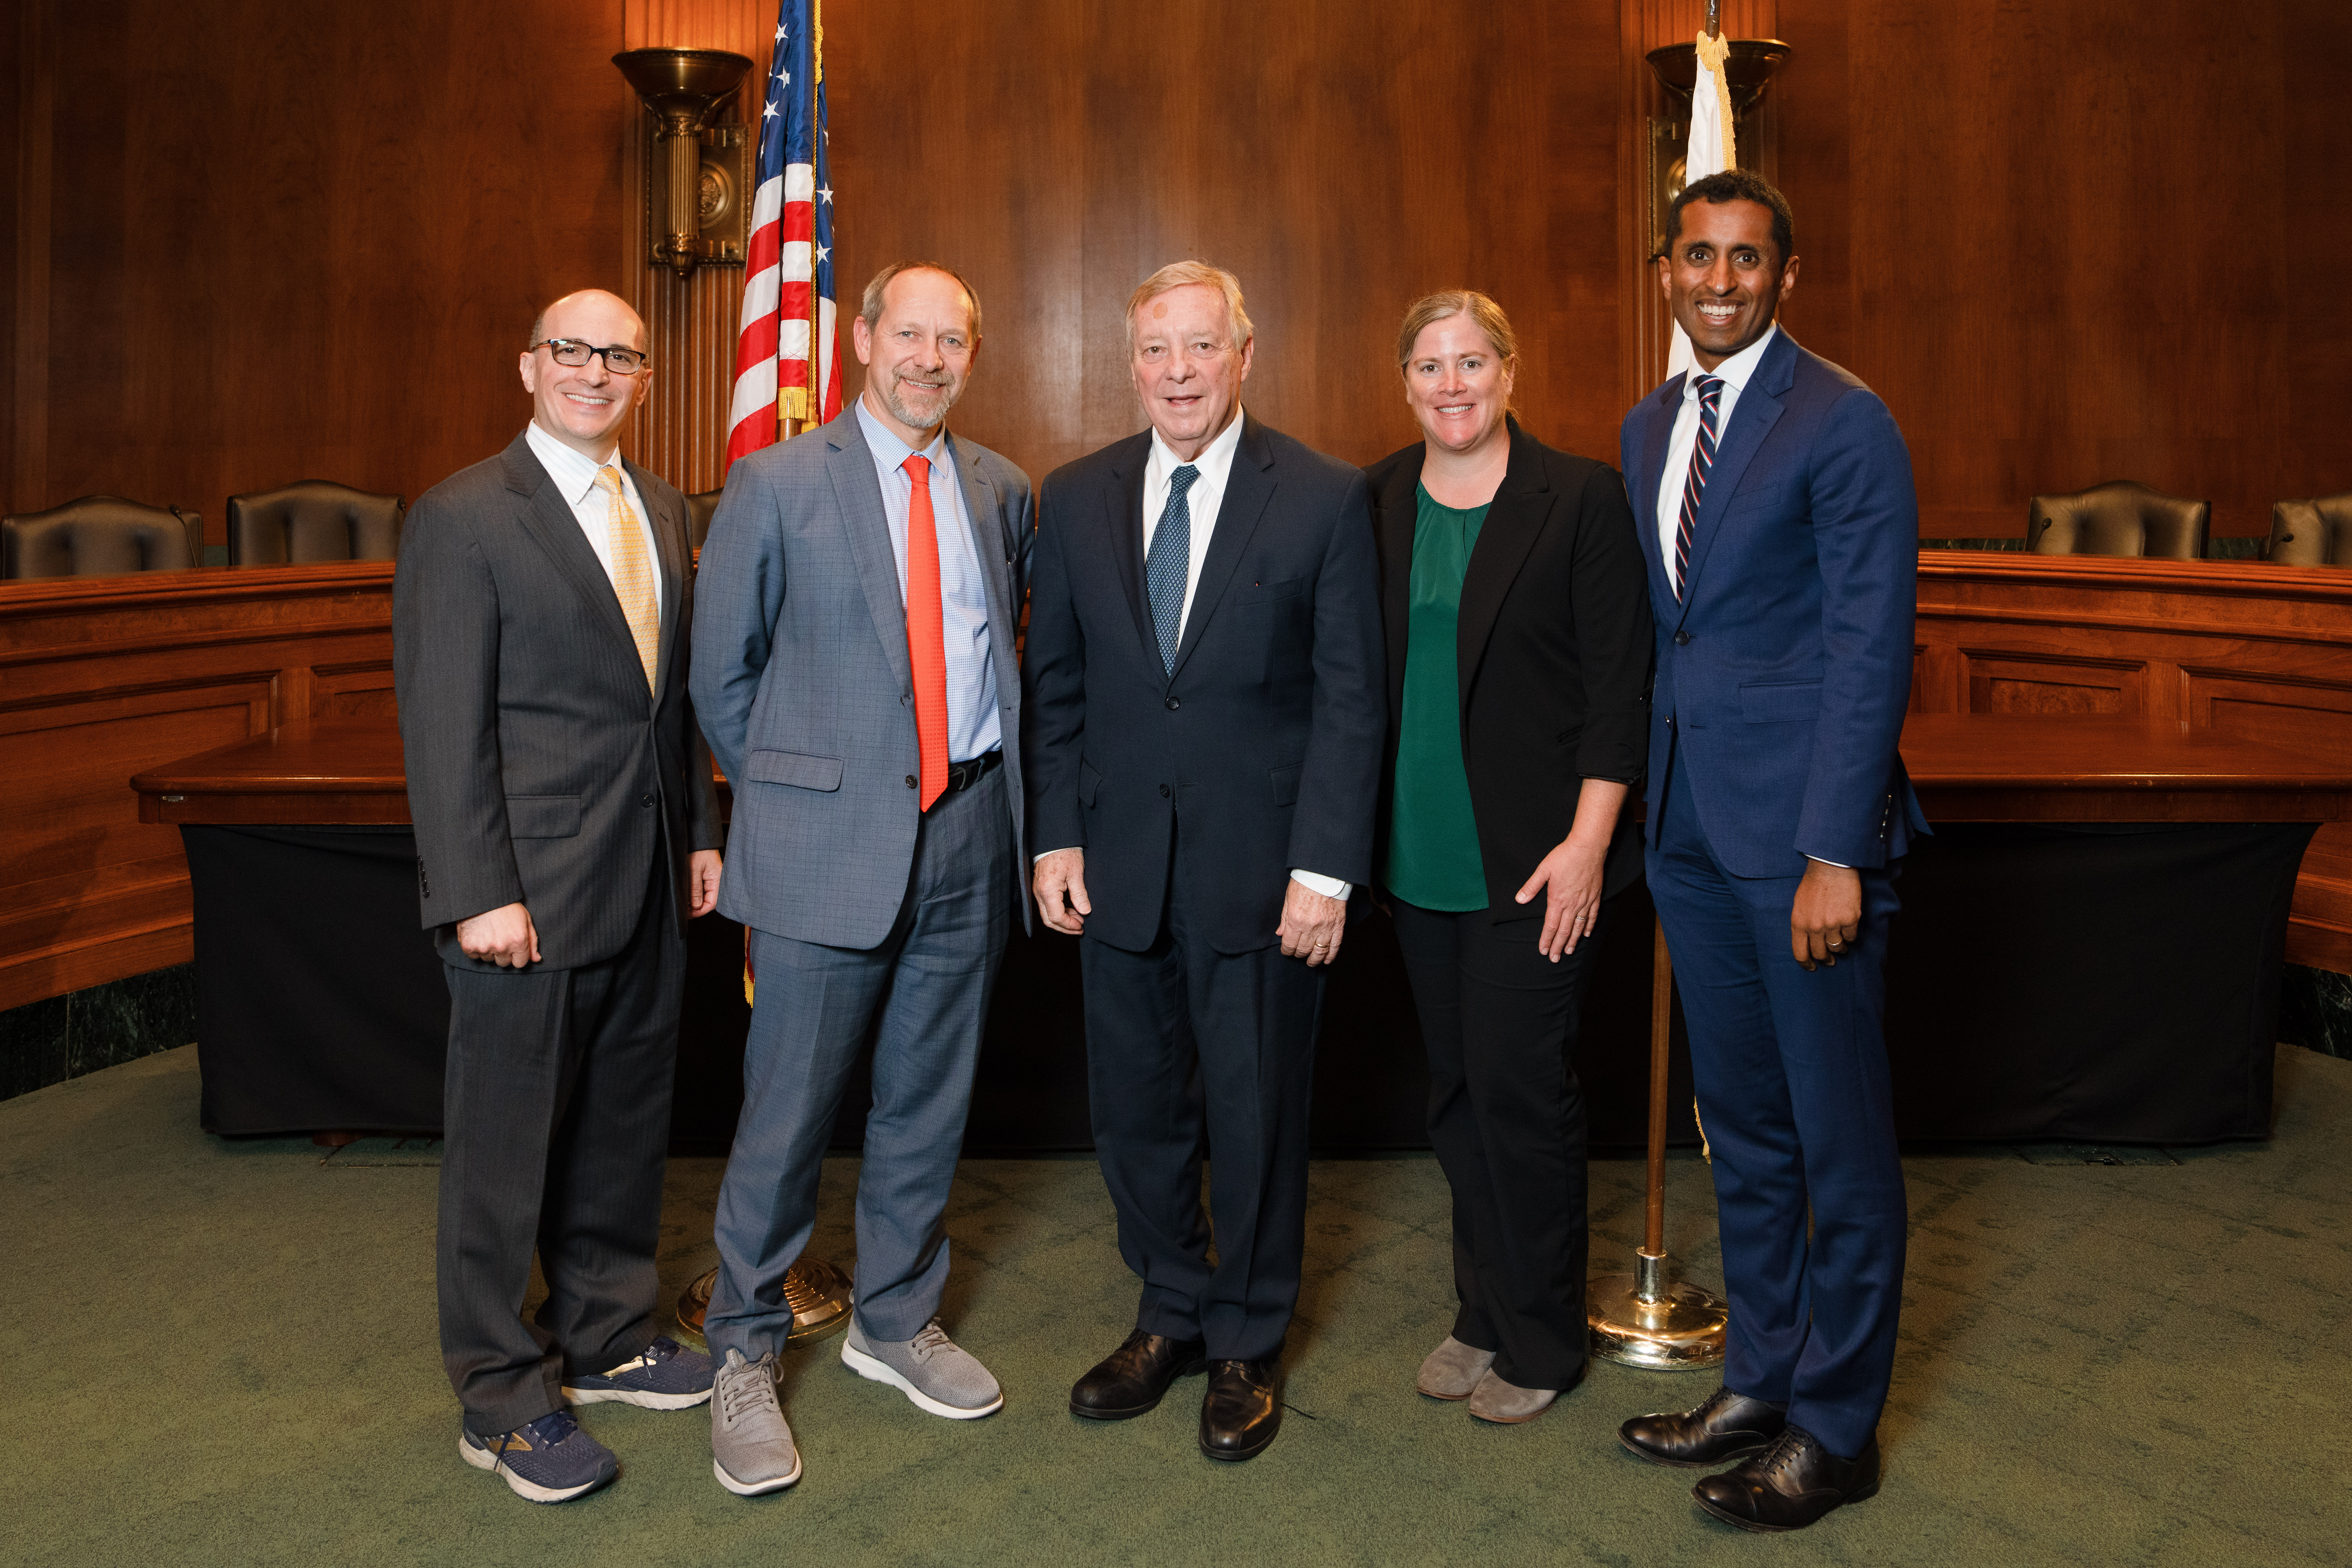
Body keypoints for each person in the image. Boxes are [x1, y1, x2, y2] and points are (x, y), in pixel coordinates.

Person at [1023, 261, 1384, 1463]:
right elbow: (1056, 686)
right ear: (1130, 364)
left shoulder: (1326, 498)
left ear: (1245, 353)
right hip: (1117, 867)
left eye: (1201, 347)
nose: (1178, 372)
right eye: (1156, 351)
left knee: (1257, 1116)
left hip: (1264, 875)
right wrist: (1055, 836)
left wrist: (1324, 872)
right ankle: (1169, 1311)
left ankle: (1245, 1339)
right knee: (1135, 1116)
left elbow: (1351, 702)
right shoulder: (1072, 499)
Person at [1614, 169, 1927, 1532]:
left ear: (1786, 277)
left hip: (1800, 847)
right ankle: (1762, 1381)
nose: (1721, 280)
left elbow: (1871, 649)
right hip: (1687, 829)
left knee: (1836, 1141)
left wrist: (1835, 849)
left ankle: (1840, 1429)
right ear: (1666, 271)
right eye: (1699, 257)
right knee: (1739, 1131)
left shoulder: (1846, 423)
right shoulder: (1645, 427)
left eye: (1748, 259)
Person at [690, 262, 1033, 1496]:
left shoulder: (1000, 488)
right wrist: (797, 805)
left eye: (955, 339)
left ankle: (896, 1320)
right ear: (860, 338)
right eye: (911, 334)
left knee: (926, 1105)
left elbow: (1000, 659)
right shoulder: (779, 483)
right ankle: (743, 1349)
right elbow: (720, 676)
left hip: (968, 833)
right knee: (785, 1121)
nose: (930, 358)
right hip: (823, 850)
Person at [394, 288, 725, 1505]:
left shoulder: (662, 504)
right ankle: (499, 1389)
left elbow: (668, 694)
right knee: (504, 1149)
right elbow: (441, 724)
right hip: (521, 894)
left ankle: (609, 1328)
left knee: (624, 1121)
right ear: (529, 363)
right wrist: (477, 889)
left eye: (620, 354)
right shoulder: (465, 517)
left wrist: (700, 828)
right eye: (572, 349)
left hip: (644, 875)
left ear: (643, 374)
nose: (596, 369)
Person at [1365, 291, 1652, 1426]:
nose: (1451, 383)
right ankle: (1481, 1309)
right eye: (1429, 365)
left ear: (1509, 370)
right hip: (1417, 859)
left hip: (1533, 867)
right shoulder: (1381, 496)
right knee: (1458, 1097)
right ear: (1406, 384)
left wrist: (1587, 846)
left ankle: (1541, 1340)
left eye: (1471, 361)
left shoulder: (1579, 498)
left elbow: (1618, 689)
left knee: (1525, 1099)